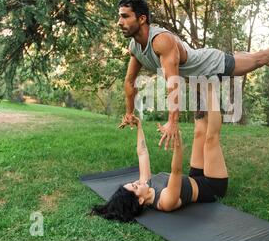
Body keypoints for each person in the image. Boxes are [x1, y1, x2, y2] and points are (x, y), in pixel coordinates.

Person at [117, 0, 269, 149]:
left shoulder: (161, 40)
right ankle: (243, 54)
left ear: (142, 19)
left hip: (210, 64)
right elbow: (129, 82)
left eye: (125, 17)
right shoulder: (135, 47)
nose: (120, 22)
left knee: (260, 59)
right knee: (248, 63)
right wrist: (128, 112)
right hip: (196, 77)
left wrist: (172, 122)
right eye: (119, 17)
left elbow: (173, 82)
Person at [92, 86, 228, 222]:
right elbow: (176, 171)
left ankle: (199, 86)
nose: (137, 182)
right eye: (135, 186)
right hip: (212, 187)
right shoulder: (165, 202)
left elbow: (142, 153)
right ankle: (210, 85)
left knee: (199, 132)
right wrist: (177, 142)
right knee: (210, 139)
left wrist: (138, 125)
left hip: (195, 178)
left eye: (133, 183)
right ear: (140, 200)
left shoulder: (146, 184)